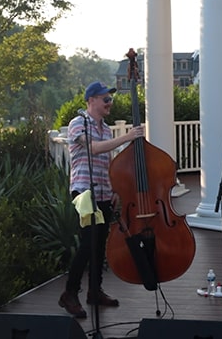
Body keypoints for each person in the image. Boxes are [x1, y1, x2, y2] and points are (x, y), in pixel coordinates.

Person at [59, 81, 145, 319]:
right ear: (91, 101)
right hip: (85, 191)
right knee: (88, 242)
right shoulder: (78, 124)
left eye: (110, 99)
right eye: (105, 99)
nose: (110, 103)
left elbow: (107, 162)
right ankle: (69, 293)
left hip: (104, 192)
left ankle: (94, 291)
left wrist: (115, 189)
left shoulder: (106, 129)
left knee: (99, 245)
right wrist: (127, 137)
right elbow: (94, 149)